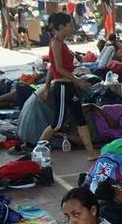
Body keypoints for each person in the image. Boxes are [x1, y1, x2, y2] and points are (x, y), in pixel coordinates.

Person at [40, 12, 97, 161]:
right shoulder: (56, 43)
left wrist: (46, 87)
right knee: (57, 123)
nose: (72, 28)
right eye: (70, 25)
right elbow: (58, 68)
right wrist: (78, 81)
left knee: (80, 119)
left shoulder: (62, 44)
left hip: (69, 86)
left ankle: (91, 153)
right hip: (62, 87)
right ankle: (38, 150)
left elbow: (52, 67)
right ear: (61, 27)